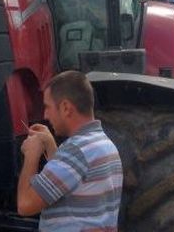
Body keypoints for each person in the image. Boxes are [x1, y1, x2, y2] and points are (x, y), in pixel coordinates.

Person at [17, 71, 123, 231]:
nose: (45, 115)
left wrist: (31, 155)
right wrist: (51, 146)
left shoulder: (75, 151)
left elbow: (25, 205)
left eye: (47, 107)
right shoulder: (104, 145)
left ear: (66, 108)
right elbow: (71, 181)